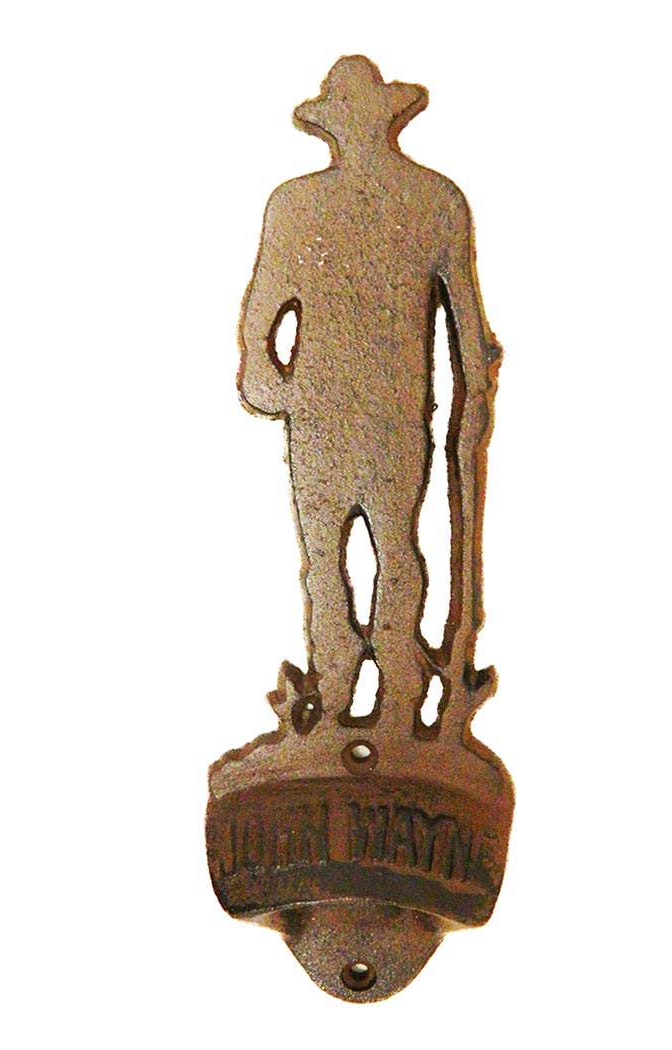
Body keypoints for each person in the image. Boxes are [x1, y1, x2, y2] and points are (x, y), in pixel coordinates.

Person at [238, 56, 500, 728]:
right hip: (341, 412)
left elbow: (467, 325)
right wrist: (265, 376)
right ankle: (346, 691)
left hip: (383, 413)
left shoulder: (428, 203)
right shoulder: (314, 206)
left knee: (378, 550)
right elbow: (261, 321)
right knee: (347, 555)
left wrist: (475, 387)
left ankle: (393, 694)